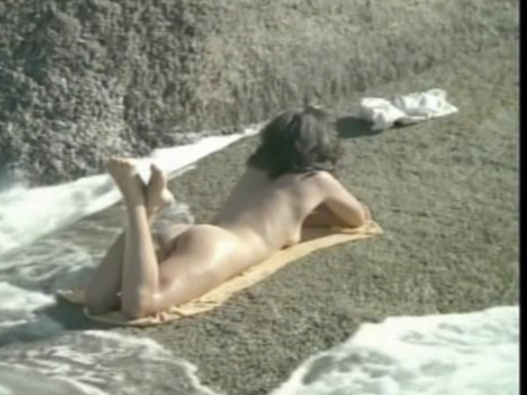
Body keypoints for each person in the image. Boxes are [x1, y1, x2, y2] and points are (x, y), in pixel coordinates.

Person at [85, 106, 371, 318]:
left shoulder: (256, 169)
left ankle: (148, 210)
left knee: (97, 302)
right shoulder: (318, 180)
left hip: (191, 234)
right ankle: (136, 203)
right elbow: (357, 218)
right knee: (140, 305)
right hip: (222, 248)